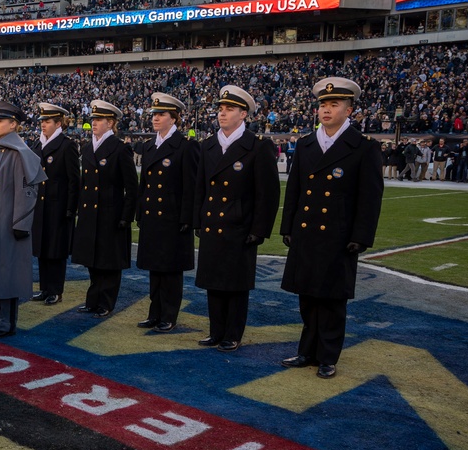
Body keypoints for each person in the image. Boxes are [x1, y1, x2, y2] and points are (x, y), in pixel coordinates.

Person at [280, 77, 383, 379]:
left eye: (334, 104)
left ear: (349, 110)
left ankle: (327, 356)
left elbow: (370, 197)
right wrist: (288, 226)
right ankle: (306, 351)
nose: (326, 109)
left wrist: (361, 236)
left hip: (338, 236)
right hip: (306, 232)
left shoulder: (363, 147)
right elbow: (295, 190)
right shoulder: (306, 144)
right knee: (307, 296)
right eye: (323, 104)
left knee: (332, 300)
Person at [193, 85, 280, 352]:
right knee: (213, 282)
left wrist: (259, 229)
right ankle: (216, 331)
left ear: (243, 114)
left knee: (235, 284)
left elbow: (267, 193)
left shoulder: (257, 147)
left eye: (229, 109)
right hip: (212, 223)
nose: (222, 114)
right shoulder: (208, 145)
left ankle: (233, 333)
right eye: (220, 109)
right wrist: (198, 221)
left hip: (239, 226)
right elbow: (201, 188)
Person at [0, 101, 46, 338]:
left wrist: (21, 224)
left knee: (5, 274)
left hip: (8, 224)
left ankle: (6, 322)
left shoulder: (20, 154)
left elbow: (27, 193)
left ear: (13, 125)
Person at [135, 93, 199, 332]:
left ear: (174, 119)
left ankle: (168, 315)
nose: (155, 118)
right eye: (154, 114)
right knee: (155, 268)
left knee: (170, 271)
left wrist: (187, 218)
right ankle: (155, 312)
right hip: (153, 216)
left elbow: (191, 186)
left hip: (173, 219)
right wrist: (140, 211)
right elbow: (145, 184)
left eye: (161, 114)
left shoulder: (185, 146)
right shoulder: (151, 145)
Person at [72, 100, 138, 317]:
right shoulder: (88, 147)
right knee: (92, 260)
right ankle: (93, 300)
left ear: (110, 123)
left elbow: (131, 187)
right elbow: (83, 183)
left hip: (111, 214)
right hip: (91, 214)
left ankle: (106, 302)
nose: (94, 123)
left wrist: (126, 216)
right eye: (93, 119)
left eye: (99, 120)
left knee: (108, 262)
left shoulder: (120, 149)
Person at [29, 102, 79, 306]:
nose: (43, 125)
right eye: (42, 121)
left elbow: (74, 180)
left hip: (58, 206)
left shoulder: (67, 146)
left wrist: (70, 208)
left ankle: (55, 290)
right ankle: (44, 288)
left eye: (47, 121)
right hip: (40, 206)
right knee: (42, 248)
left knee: (56, 251)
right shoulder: (38, 145)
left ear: (59, 123)